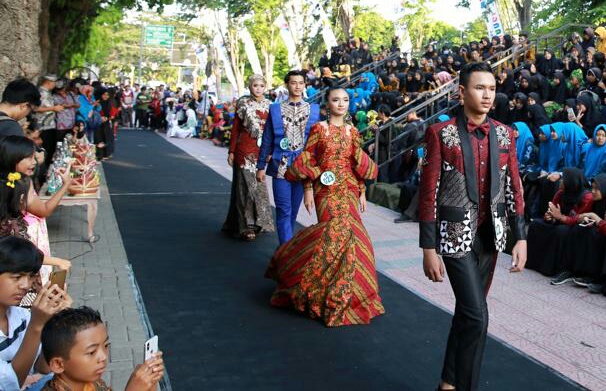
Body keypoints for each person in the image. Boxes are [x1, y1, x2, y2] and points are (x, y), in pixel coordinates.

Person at [418, 62, 527, 391]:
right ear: (461, 92)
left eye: (492, 89)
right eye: (480, 88)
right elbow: (428, 192)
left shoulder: (507, 135)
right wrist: (428, 247)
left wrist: (519, 238)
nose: (487, 95)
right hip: (453, 237)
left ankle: (449, 381)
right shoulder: (441, 133)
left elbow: (514, 188)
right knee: (478, 316)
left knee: (468, 314)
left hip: (490, 236)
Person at [265, 86, 384, 326]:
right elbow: (308, 158)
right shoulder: (319, 129)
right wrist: (308, 190)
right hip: (325, 190)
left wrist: (361, 192)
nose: (341, 103)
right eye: (336, 100)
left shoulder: (353, 132)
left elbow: (356, 163)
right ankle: (313, 287)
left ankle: (345, 294)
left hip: (348, 188)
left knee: (354, 237)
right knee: (334, 233)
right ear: (327, 104)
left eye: (345, 100)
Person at [256, 70, 321, 244]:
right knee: (283, 210)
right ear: (287, 85)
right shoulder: (275, 109)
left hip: (302, 166)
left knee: (292, 211)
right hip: (281, 166)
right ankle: (285, 252)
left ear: (305, 85)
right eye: (293, 82)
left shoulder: (313, 110)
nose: (297, 86)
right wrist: (261, 166)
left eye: (301, 83)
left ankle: (286, 249)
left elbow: (316, 142)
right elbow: (268, 138)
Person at [0, 236, 72, 390]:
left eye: (30, 276)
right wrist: (37, 325)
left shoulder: (20, 316)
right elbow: (12, 385)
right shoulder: (30, 320)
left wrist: (52, 320)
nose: (26, 285)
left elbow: (43, 367)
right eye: (17, 277)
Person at [40, 306, 164, 391]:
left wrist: (149, 382)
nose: (103, 357)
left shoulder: (92, 383)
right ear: (58, 364)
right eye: (91, 352)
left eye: (105, 346)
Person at [223, 75, 274, 241]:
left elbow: (273, 132)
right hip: (244, 150)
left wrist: (271, 152)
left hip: (262, 150)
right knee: (244, 187)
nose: (258, 88)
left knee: (258, 187)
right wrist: (231, 151)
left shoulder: (271, 106)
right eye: (254, 85)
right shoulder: (243, 103)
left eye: (261, 86)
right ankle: (244, 226)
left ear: (265, 87)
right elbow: (236, 129)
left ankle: (256, 223)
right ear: (249, 86)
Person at [526, 167, 594, 279]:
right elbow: (552, 209)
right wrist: (550, 217)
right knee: (535, 225)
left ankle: (550, 268)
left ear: (572, 182)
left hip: (576, 227)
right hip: (560, 221)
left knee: (561, 231)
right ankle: (532, 262)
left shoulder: (586, 197)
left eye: (563, 179)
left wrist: (559, 217)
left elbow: (578, 218)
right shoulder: (561, 192)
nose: (561, 181)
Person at [34, 75, 64, 166]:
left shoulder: (47, 92)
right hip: (43, 125)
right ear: (49, 82)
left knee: (51, 149)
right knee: (45, 150)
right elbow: (36, 108)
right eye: (54, 83)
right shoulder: (40, 92)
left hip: (49, 125)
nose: (55, 85)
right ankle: (42, 172)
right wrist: (53, 108)